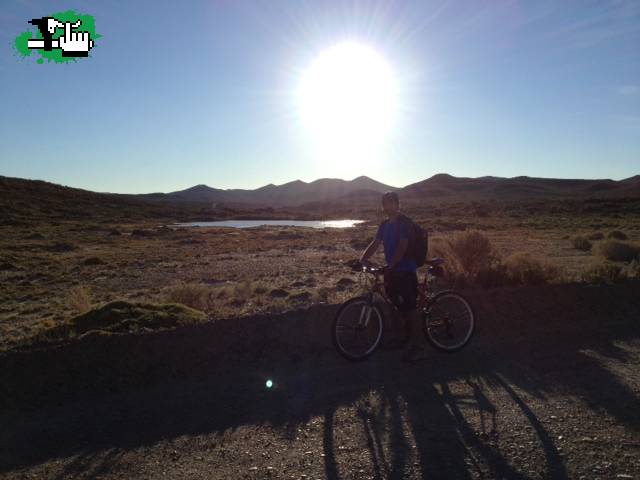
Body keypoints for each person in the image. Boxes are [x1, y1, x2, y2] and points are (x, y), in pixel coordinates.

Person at [359, 191, 427, 362]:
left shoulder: (405, 222)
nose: (387, 206)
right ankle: (399, 340)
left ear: (397, 204)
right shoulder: (384, 225)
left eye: (390, 203)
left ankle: (418, 348)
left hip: (405, 270)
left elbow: (403, 246)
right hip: (392, 270)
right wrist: (362, 259)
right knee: (393, 306)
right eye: (385, 203)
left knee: (410, 310)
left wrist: (392, 265)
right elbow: (375, 243)